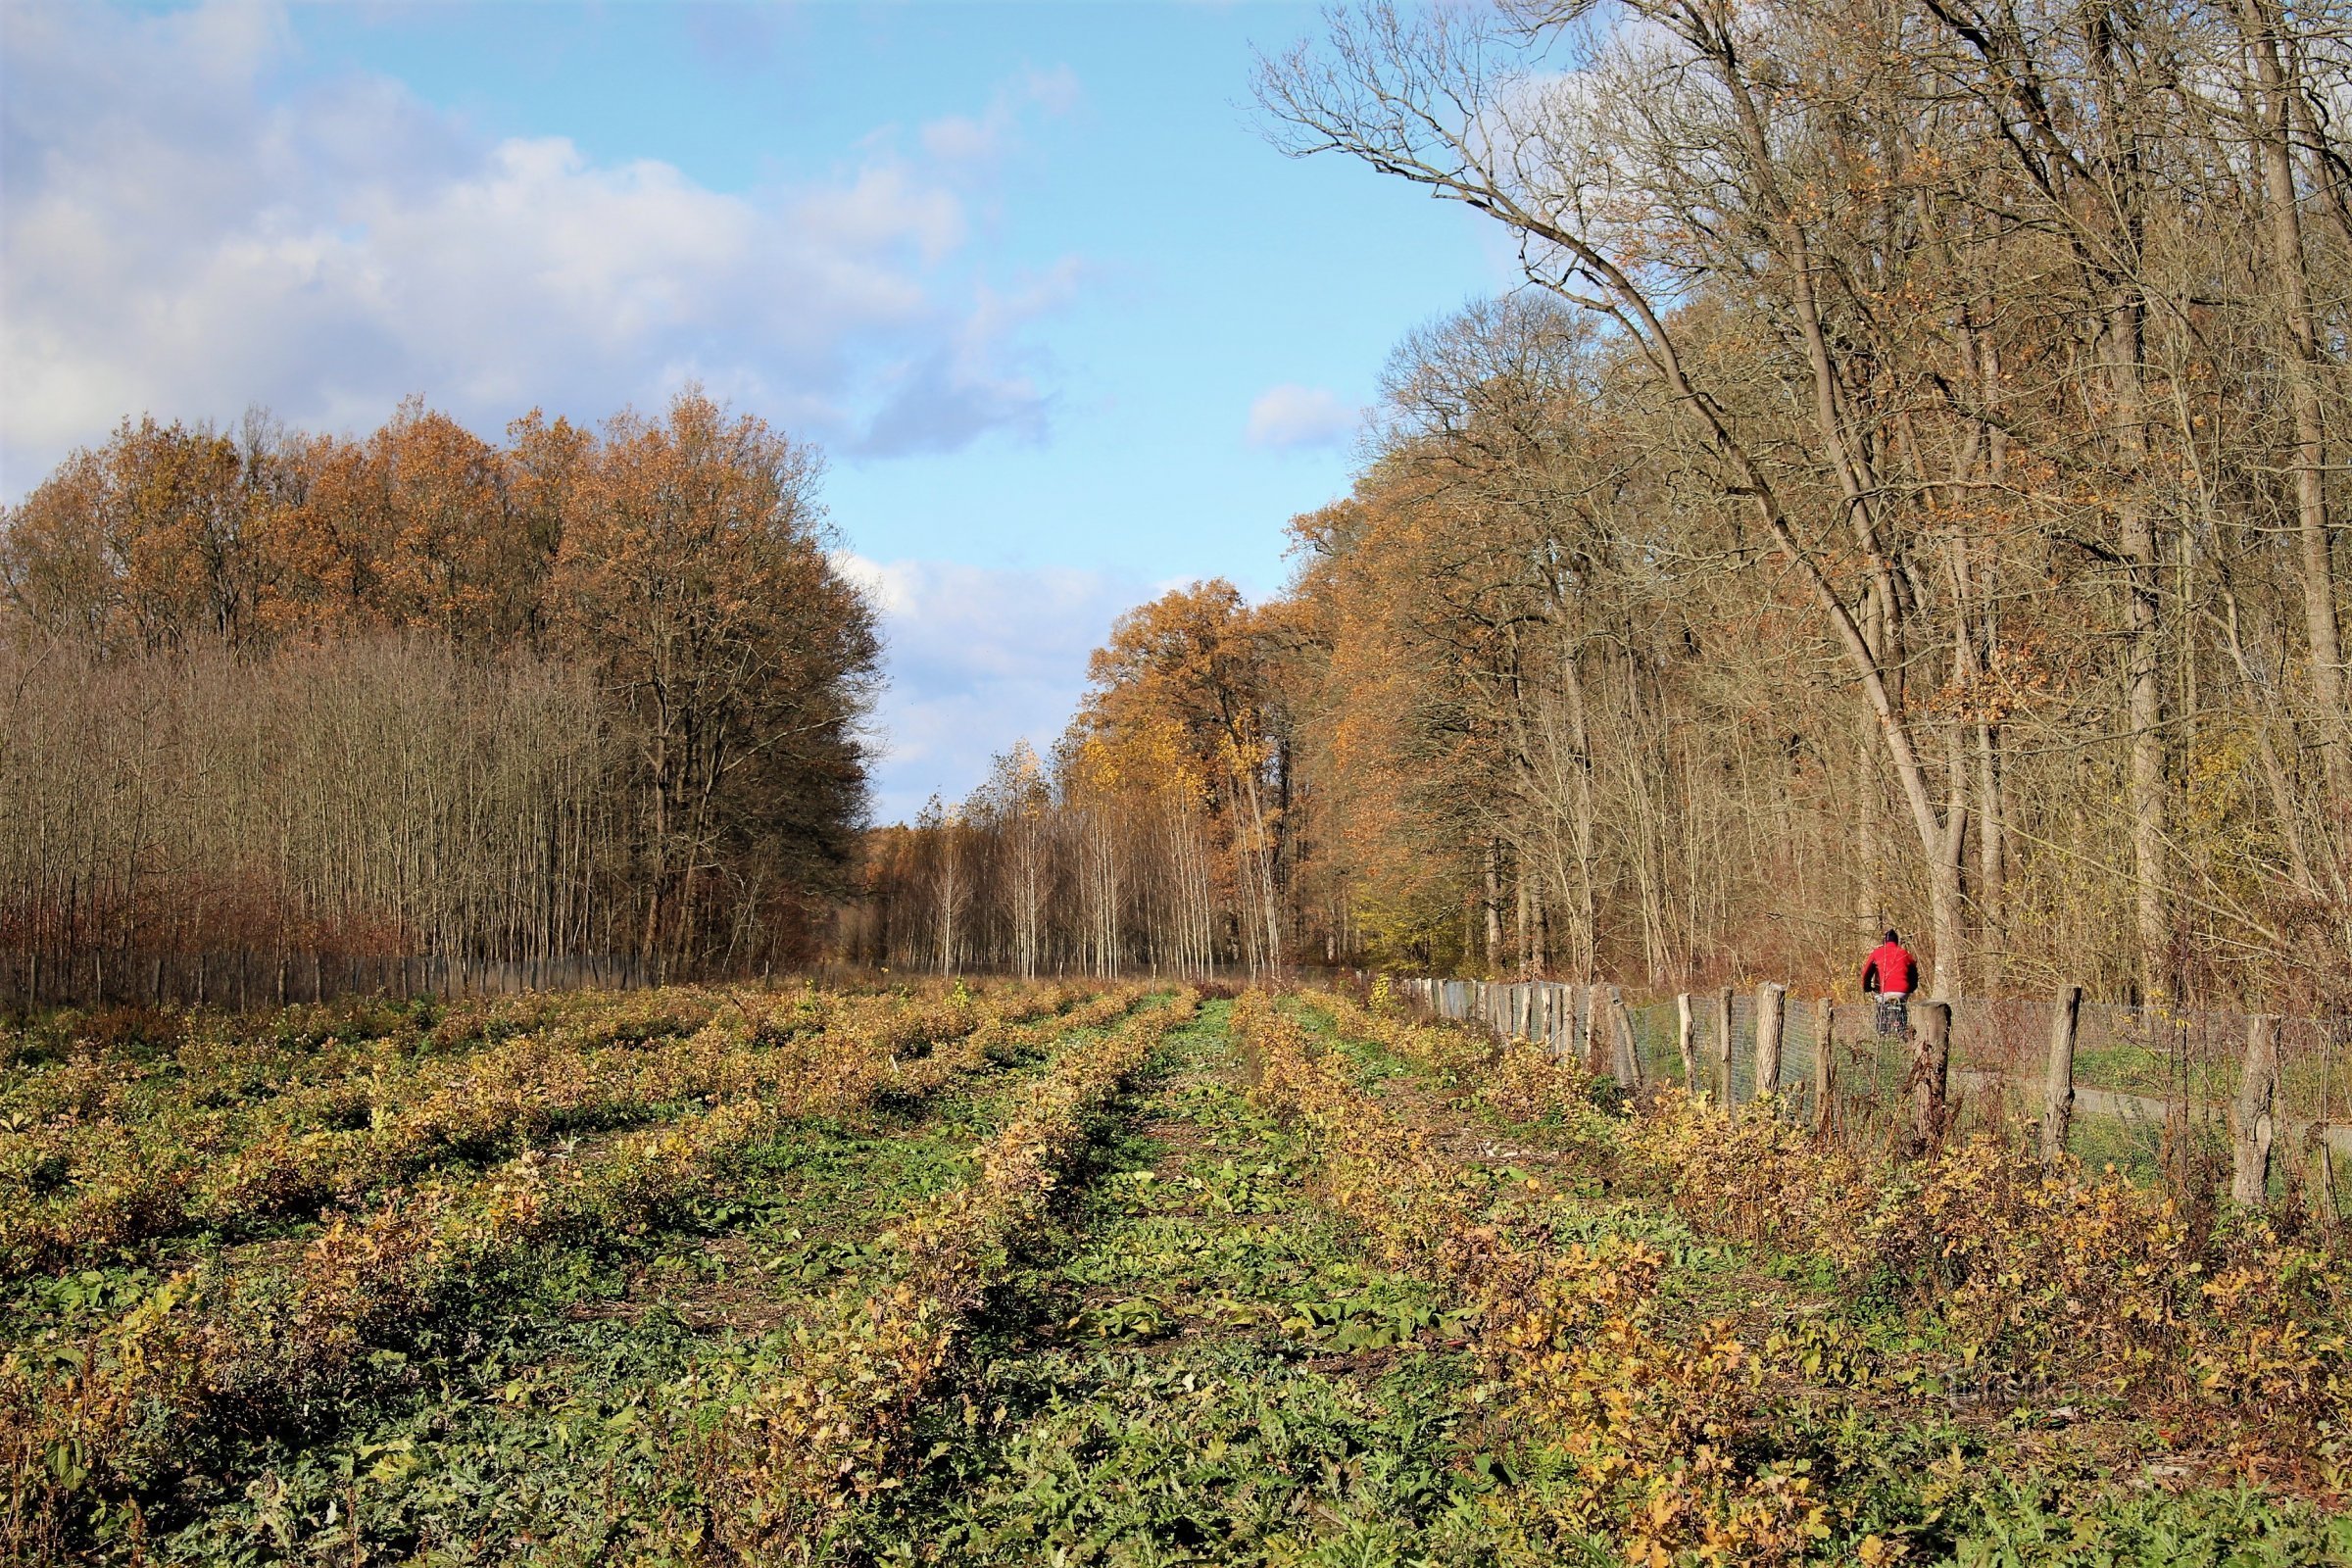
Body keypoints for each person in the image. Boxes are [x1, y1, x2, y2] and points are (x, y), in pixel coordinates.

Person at [1861, 929, 1920, 1037]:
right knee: (1901, 1006)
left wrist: (1867, 987)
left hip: (1883, 991)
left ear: (1884, 941)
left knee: (1881, 1007)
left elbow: (1866, 973)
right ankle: (1902, 1029)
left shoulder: (1877, 953)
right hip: (1902, 991)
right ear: (1897, 942)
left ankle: (1882, 1031)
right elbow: (1914, 974)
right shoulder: (1905, 954)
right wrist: (1911, 988)